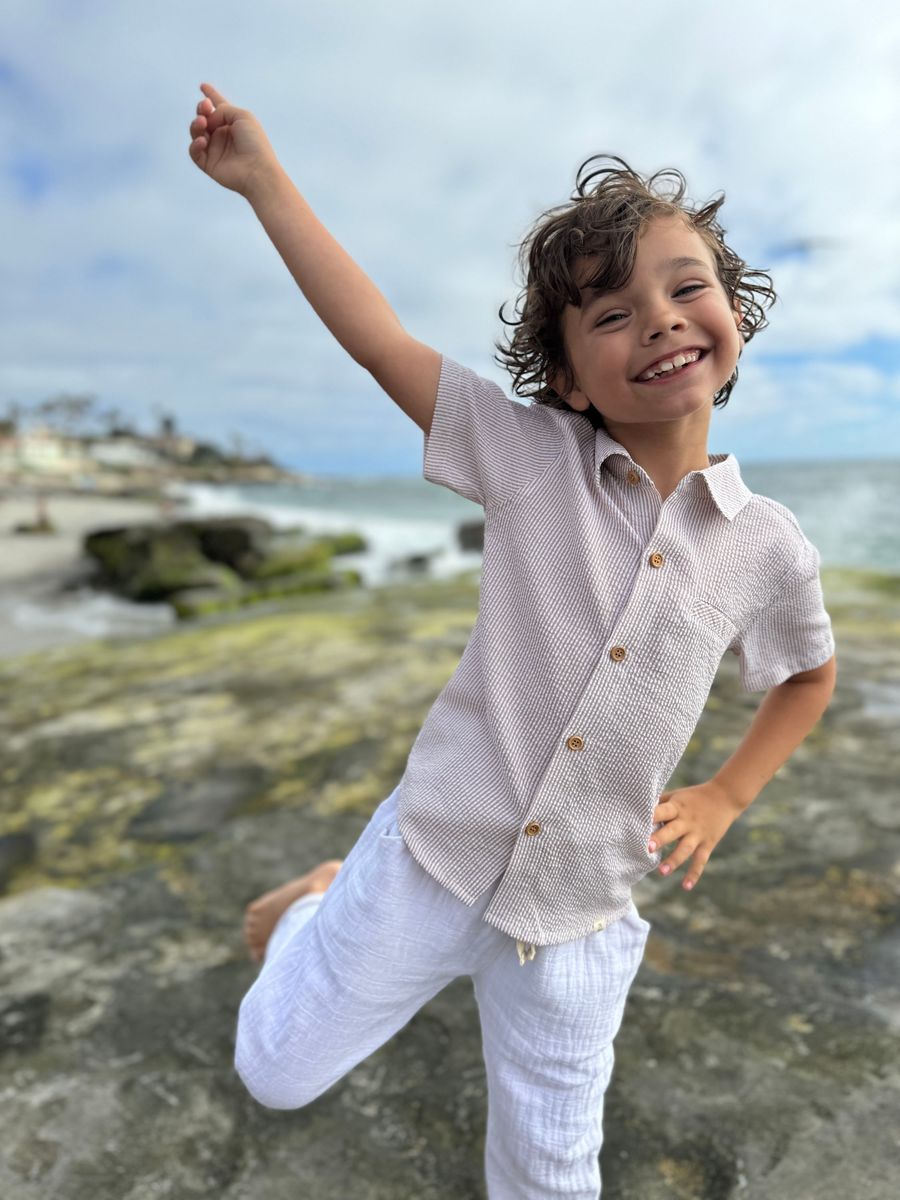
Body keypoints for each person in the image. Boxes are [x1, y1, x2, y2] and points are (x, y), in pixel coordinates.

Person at [188, 82, 837, 1197]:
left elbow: (810, 675)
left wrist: (728, 795)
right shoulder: (528, 457)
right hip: (430, 858)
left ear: (734, 312)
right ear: (568, 377)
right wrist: (262, 179)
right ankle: (319, 901)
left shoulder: (770, 548)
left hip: (582, 915)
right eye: (613, 314)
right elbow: (378, 339)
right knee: (273, 1072)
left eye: (687, 288)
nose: (663, 319)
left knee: (551, 1175)